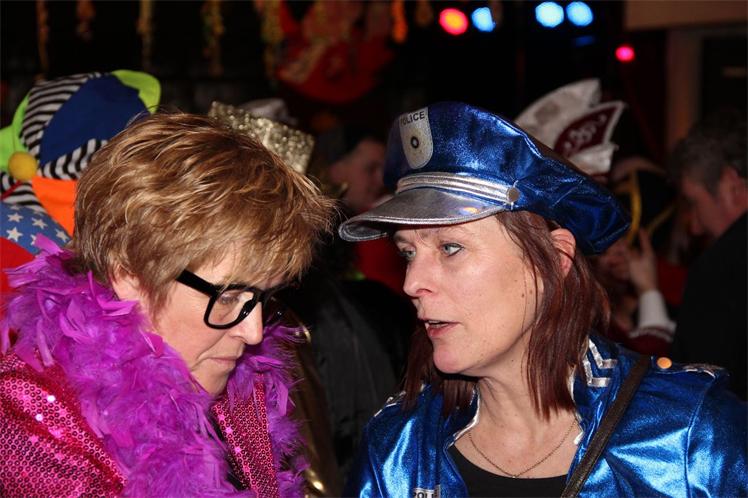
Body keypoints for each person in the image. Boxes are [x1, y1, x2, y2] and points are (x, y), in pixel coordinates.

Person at [338, 102, 747, 497]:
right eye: (408, 253)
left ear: (554, 259)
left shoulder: (689, 438)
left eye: (450, 248)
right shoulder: (396, 451)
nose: (412, 282)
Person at [0, 112, 334, 496]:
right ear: (129, 274)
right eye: (227, 297)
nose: (254, 332)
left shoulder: (241, 387)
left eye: (265, 297)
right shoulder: (29, 420)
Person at [668, 109, 747, 400]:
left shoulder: (720, 268)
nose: (695, 227)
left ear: (731, 184)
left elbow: (701, 395)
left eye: (694, 203)